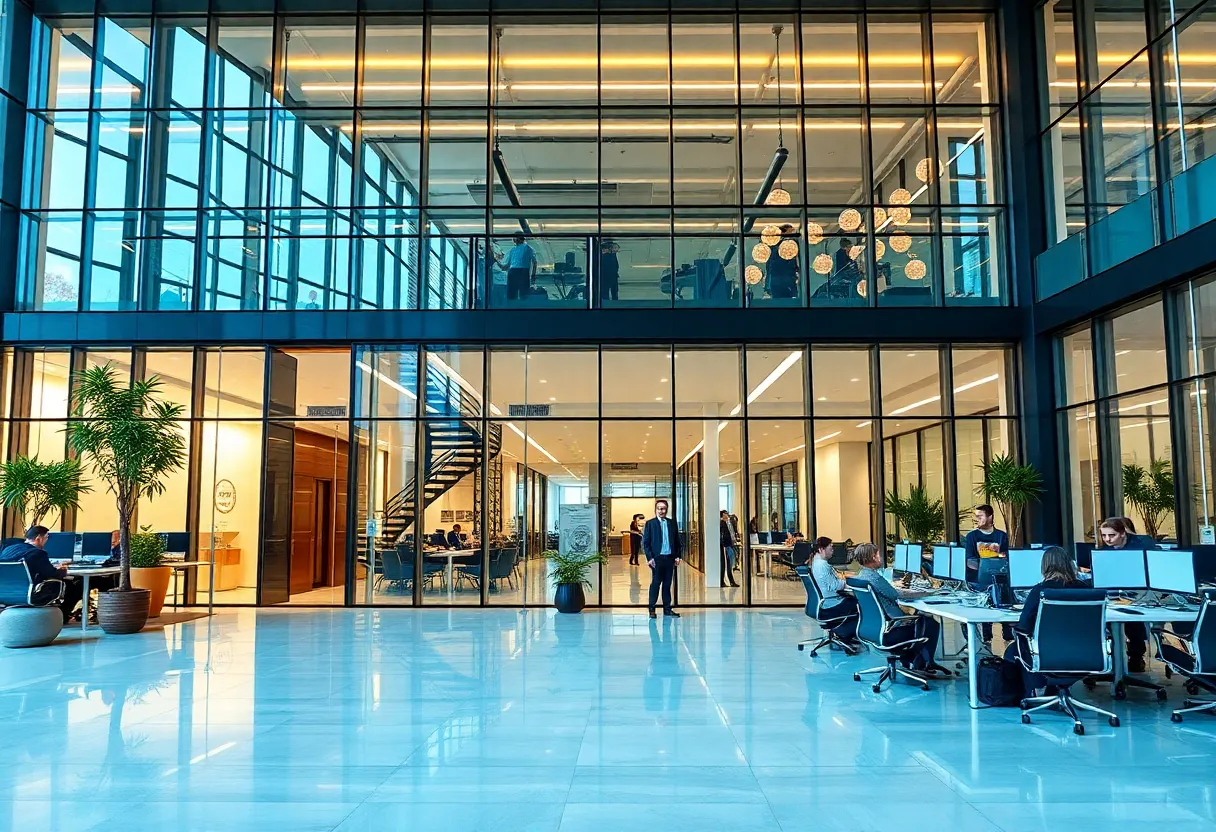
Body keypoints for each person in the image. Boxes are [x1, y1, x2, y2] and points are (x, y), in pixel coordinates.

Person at [854, 542, 950, 675]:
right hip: (892, 629)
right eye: (878, 555)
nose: (881, 558)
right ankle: (923, 664)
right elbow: (896, 595)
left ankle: (912, 660)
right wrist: (926, 593)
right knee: (930, 623)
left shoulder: (862, 577)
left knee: (921, 618)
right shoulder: (875, 578)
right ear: (872, 557)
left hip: (873, 629)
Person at [1004, 546, 1087, 697]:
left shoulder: (1040, 591)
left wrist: (1013, 628)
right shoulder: (1085, 589)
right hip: (1084, 653)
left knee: (1012, 651)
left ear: (1044, 566)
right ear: (1069, 564)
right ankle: (1055, 688)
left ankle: (1034, 691)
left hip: (1045, 653)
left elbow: (1024, 625)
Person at [1099, 516, 1158, 672]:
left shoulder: (1141, 544)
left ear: (1123, 533)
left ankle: (1136, 656)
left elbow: (1153, 565)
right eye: (1104, 536)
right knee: (1106, 618)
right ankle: (1111, 657)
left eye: (1112, 535)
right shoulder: (1106, 549)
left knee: (1133, 619)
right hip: (1112, 589)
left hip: (1139, 590)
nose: (1107, 540)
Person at [0, 525, 83, 623]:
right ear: (38, 538)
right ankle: (63, 618)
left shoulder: (8, 549)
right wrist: (62, 569)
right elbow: (53, 574)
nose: (47, 541)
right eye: (46, 538)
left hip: (5, 593)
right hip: (31, 594)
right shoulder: (37, 553)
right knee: (74, 586)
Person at [965, 504, 1012, 645]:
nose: (977, 519)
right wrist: (983, 566)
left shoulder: (1001, 536)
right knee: (985, 607)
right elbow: (969, 560)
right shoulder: (972, 536)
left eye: (980, 516)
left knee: (1004, 596)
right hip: (979, 579)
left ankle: (1008, 637)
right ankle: (986, 639)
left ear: (990, 517)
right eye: (976, 516)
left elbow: (1006, 558)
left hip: (1000, 577)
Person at [810, 536, 858, 642]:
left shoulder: (816, 562)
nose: (833, 551)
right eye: (830, 548)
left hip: (823, 602)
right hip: (831, 603)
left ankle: (843, 633)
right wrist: (847, 582)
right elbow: (836, 586)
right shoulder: (823, 565)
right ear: (821, 549)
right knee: (858, 602)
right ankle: (845, 634)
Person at [643, 499, 681, 619]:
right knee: (655, 583)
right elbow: (646, 543)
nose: (661, 511)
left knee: (667, 584)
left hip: (669, 558)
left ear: (666, 509)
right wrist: (649, 558)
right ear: (656, 510)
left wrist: (677, 556)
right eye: (659, 508)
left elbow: (677, 541)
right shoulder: (650, 524)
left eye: (663, 508)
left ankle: (667, 609)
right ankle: (652, 608)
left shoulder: (672, 523)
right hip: (656, 559)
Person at [764, 224, 799, 300]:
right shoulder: (778, 245)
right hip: (783, 277)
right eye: (791, 230)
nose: (793, 232)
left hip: (781, 277)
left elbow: (770, 264)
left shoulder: (778, 245)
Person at [505, 233, 537, 301]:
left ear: (518, 238)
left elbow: (534, 262)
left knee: (519, 294)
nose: (513, 239)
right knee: (521, 293)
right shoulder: (513, 249)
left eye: (514, 238)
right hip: (518, 271)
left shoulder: (527, 248)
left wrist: (533, 274)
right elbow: (508, 264)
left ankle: (516, 306)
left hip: (520, 271)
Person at [719, 510, 739, 588]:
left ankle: (730, 581)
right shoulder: (722, 524)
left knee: (729, 564)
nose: (727, 515)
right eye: (725, 514)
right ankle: (725, 581)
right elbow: (724, 536)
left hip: (729, 545)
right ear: (722, 515)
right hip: (726, 546)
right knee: (726, 564)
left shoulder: (728, 523)